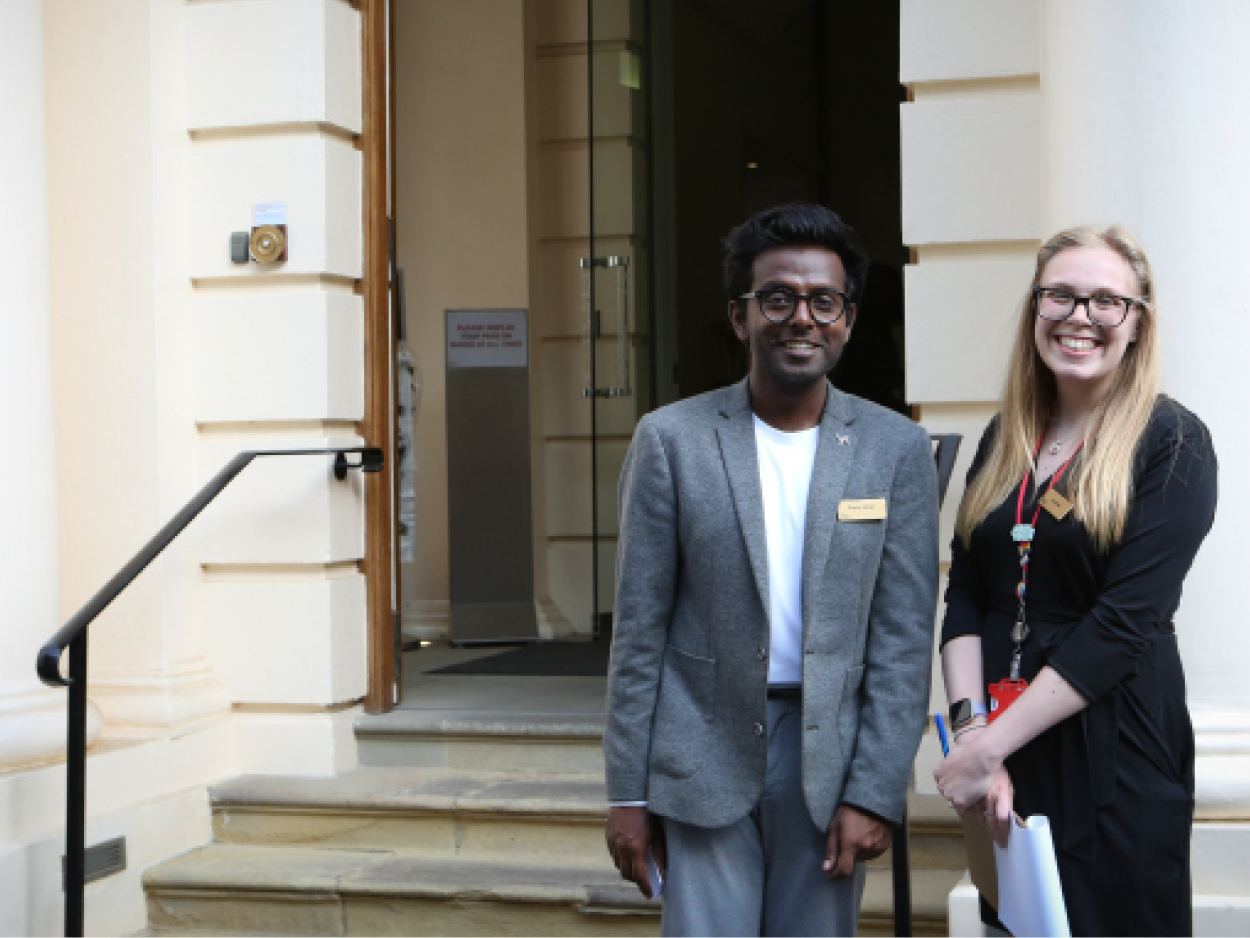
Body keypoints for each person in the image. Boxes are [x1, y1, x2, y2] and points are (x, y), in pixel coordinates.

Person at [603, 203, 939, 937]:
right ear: (740, 315)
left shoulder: (896, 450)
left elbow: (904, 641)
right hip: (702, 743)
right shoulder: (671, 441)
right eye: (777, 298)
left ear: (848, 319)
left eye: (824, 301)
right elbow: (637, 630)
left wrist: (876, 790)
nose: (801, 318)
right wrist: (626, 791)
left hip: (830, 755)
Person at [934, 226, 1218, 936]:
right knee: (1019, 925)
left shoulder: (1173, 442)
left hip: (1116, 753)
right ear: (1035, 308)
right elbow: (965, 594)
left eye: (1104, 301)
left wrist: (987, 747)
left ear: (1137, 322)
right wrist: (976, 736)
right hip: (1006, 743)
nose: (1078, 316)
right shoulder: (1006, 436)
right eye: (1059, 295)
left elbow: (1124, 623)